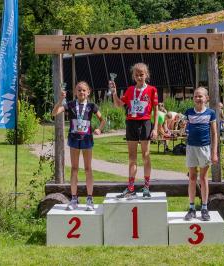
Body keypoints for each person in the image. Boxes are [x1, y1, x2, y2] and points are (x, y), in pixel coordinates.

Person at [52, 81, 105, 211]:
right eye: (79, 90)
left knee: (88, 169)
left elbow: (102, 120)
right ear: (75, 92)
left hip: (87, 139)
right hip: (74, 140)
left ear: (88, 92)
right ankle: (74, 199)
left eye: (84, 90)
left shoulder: (92, 106)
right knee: (74, 169)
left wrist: (99, 129)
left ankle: (89, 199)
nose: (81, 92)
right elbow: (54, 113)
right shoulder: (70, 104)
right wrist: (60, 100)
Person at [109, 63, 158, 199]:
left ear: (146, 75)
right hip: (131, 123)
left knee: (146, 156)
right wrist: (114, 92)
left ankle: (146, 186)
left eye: (141, 74)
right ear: (133, 76)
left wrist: (155, 128)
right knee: (132, 158)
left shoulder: (152, 90)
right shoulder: (130, 90)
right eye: (136, 75)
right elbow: (118, 104)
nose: (139, 77)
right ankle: (131, 187)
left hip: (145, 122)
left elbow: (156, 109)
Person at [184, 87, 218, 221]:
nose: (198, 98)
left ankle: (204, 207)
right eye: (196, 96)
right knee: (192, 177)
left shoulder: (211, 113)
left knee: (203, 178)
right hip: (191, 148)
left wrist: (214, 152)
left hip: (205, 148)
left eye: (201, 96)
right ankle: (191, 208)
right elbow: (184, 127)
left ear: (206, 98)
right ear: (193, 98)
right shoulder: (189, 113)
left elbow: (214, 133)